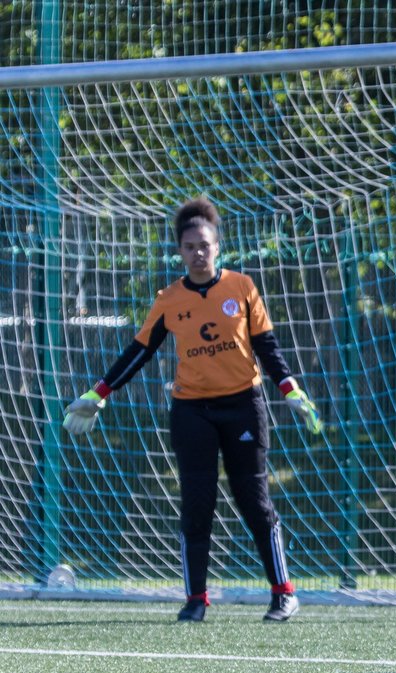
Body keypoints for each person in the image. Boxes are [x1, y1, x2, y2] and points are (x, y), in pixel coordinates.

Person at [61, 197, 323, 623]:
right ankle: (196, 599)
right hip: (191, 411)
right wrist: (99, 392)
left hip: (243, 404)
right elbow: (139, 351)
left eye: (204, 244)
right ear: (180, 252)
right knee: (197, 503)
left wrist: (291, 389)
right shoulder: (169, 299)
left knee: (253, 499)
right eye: (189, 246)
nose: (198, 252)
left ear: (217, 246)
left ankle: (283, 593)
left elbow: (267, 348)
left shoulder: (242, 288)